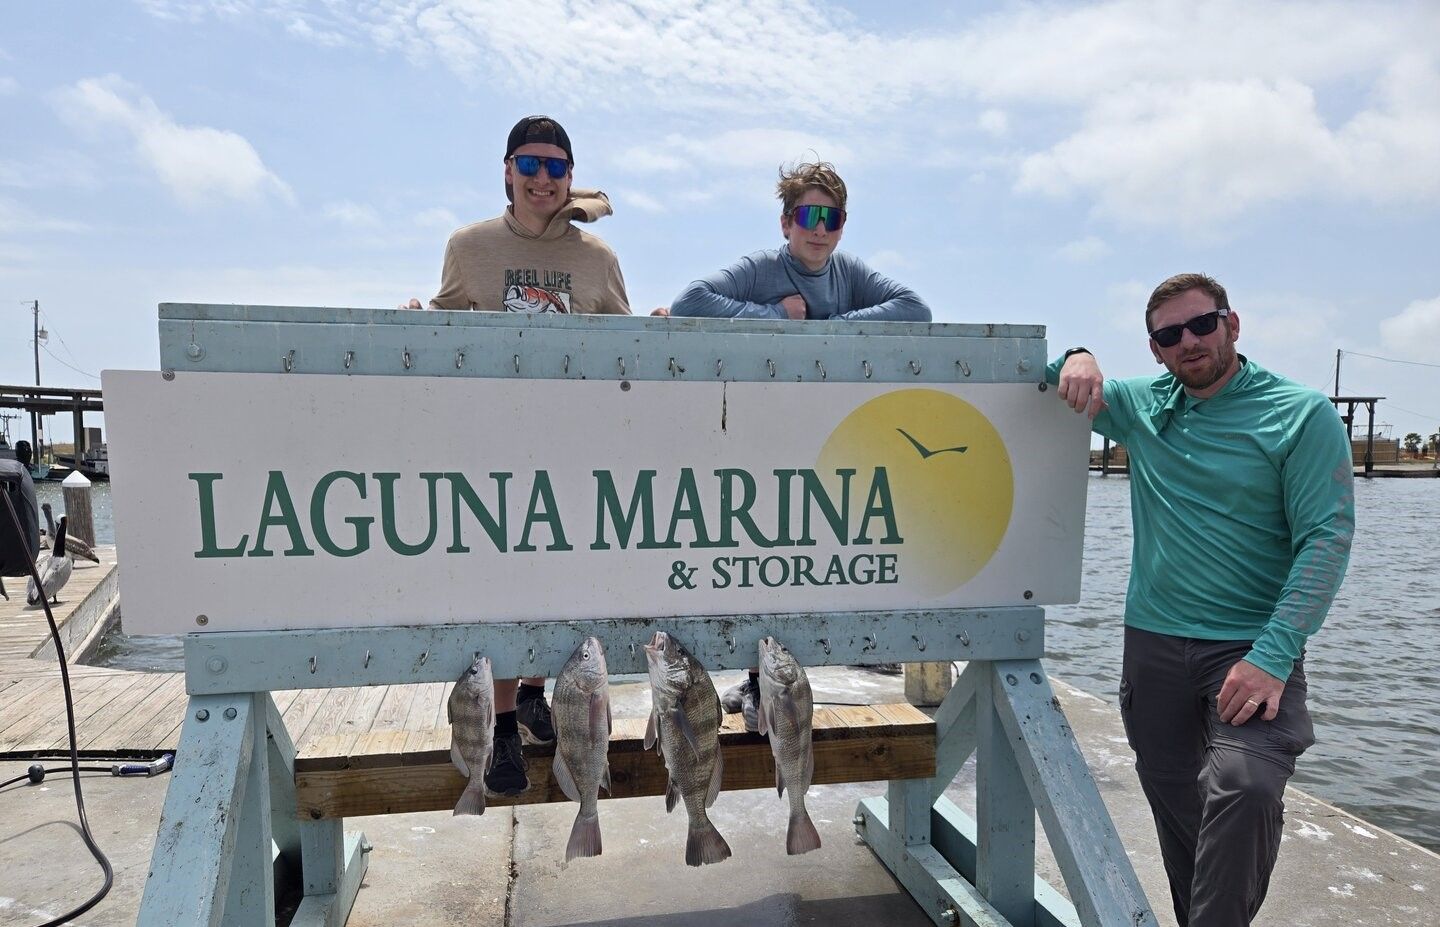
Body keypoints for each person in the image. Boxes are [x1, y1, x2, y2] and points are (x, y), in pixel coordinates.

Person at [1052, 273, 1354, 926]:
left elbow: (1326, 539)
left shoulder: (1301, 414)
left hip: (1250, 649)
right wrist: (1077, 353)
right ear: (1155, 349)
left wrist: (1273, 655)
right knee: (1178, 811)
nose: (1188, 341)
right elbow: (1051, 376)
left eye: (1202, 324)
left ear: (1232, 324)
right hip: (1152, 648)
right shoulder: (1138, 405)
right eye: (1169, 334)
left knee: (1245, 788)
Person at [665, 160, 932, 729]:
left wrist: (827, 325)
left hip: (820, 438)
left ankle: (771, 681)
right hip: (755, 433)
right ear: (786, 222)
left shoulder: (848, 272)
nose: (819, 229)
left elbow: (915, 309)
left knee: (805, 555)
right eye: (808, 216)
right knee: (754, 551)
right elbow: (690, 302)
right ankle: (755, 679)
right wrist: (771, 315)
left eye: (832, 219)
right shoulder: (762, 268)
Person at [416, 115, 633, 797]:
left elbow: (624, 352)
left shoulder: (598, 258)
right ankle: (505, 723)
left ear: (571, 176)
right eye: (530, 165)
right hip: (495, 443)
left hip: (575, 444)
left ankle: (537, 688)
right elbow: (448, 324)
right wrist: (416, 319)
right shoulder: (468, 245)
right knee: (506, 582)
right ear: (506, 170)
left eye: (556, 168)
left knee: (566, 578)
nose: (543, 179)